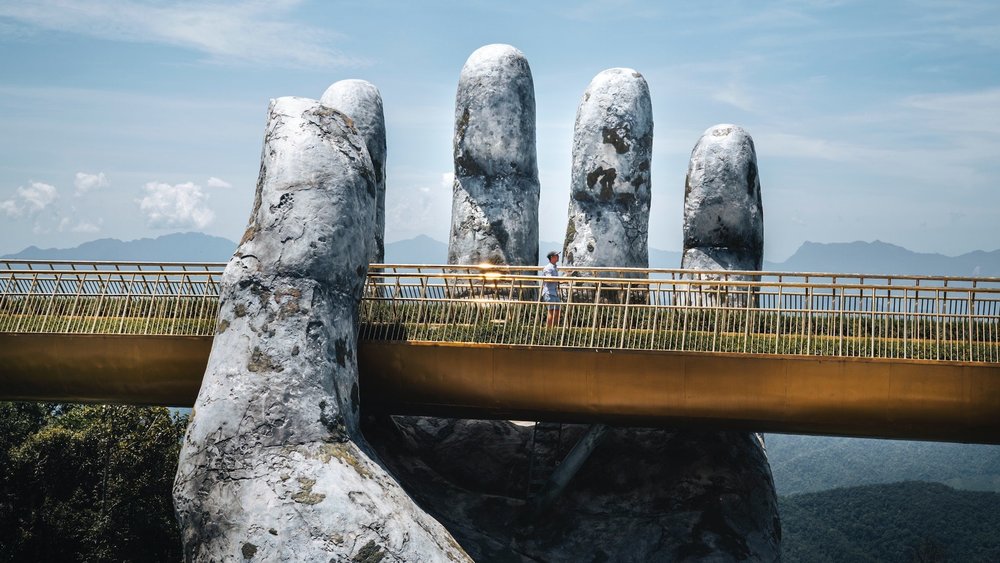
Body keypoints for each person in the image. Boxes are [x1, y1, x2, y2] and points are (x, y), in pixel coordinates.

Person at [542, 250, 561, 327]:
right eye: (556, 255)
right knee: (551, 311)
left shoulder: (554, 267)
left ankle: (554, 329)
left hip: (554, 292)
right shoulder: (548, 268)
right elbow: (548, 278)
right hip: (549, 292)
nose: (558, 257)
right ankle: (549, 330)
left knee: (557, 311)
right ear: (552, 257)